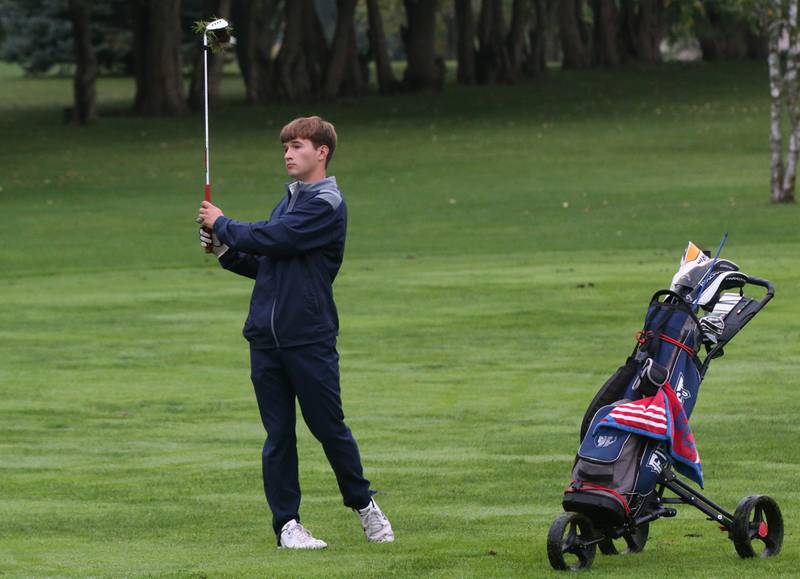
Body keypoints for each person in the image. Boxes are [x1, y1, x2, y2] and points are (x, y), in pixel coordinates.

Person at [196, 116, 394, 549]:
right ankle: (288, 526)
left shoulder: (326, 204)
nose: (288, 154)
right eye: (285, 147)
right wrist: (225, 250)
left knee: (328, 427)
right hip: (266, 341)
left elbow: (278, 238)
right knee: (278, 435)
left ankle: (364, 505)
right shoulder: (287, 201)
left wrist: (224, 224)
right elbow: (268, 263)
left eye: (298, 146)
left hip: (308, 337)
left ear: (321, 152)